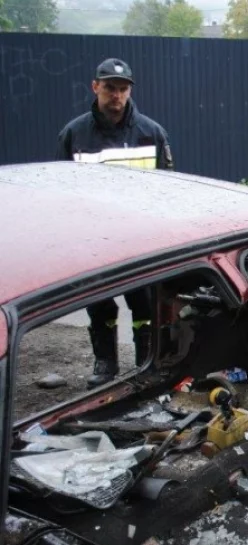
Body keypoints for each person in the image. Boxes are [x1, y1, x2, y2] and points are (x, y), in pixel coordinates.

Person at [56, 57, 174, 387]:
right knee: (100, 307)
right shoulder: (74, 134)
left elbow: (170, 193)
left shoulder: (152, 133)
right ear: (95, 87)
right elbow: (61, 195)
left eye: (122, 89)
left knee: (144, 308)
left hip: (141, 242)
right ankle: (105, 365)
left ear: (130, 91)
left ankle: (145, 365)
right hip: (94, 242)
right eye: (110, 88)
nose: (116, 95)